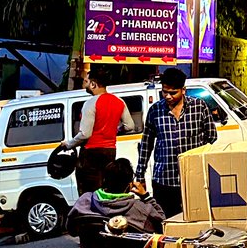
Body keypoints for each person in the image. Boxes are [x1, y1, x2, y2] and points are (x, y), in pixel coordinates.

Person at [134, 67, 217, 218]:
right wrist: (140, 175)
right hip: (164, 180)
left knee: (195, 221)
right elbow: (146, 144)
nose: (168, 96)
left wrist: (196, 156)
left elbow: (211, 136)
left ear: (183, 90)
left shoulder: (199, 107)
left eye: (173, 93)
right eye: (164, 92)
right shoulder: (155, 111)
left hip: (194, 178)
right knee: (165, 222)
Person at [64, 66, 135, 194]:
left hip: (91, 154)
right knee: (106, 188)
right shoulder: (119, 101)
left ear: (93, 84)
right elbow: (130, 126)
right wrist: (115, 130)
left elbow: (85, 134)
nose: (85, 84)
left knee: (89, 193)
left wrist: (69, 144)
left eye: (86, 81)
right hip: (110, 151)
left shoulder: (90, 103)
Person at [67, 157, 165, 235]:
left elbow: (72, 230)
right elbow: (163, 225)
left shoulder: (84, 201)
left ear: (104, 181)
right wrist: (146, 197)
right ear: (129, 185)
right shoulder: (140, 209)